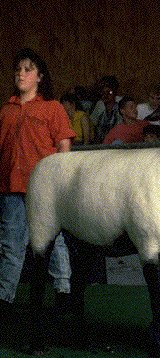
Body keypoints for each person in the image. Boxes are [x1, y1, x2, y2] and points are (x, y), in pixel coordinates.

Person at [0, 48, 76, 323]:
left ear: (40, 77)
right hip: (11, 188)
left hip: (44, 188)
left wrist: (62, 184)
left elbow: (63, 146)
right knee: (11, 243)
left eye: (28, 69)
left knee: (53, 241)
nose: (21, 74)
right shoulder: (7, 110)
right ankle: (5, 298)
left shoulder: (52, 108)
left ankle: (63, 292)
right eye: (18, 69)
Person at [89, 76, 123, 143]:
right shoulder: (100, 105)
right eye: (103, 92)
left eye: (109, 92)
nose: (106, 95)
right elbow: (92, 123)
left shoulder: (120, 104)